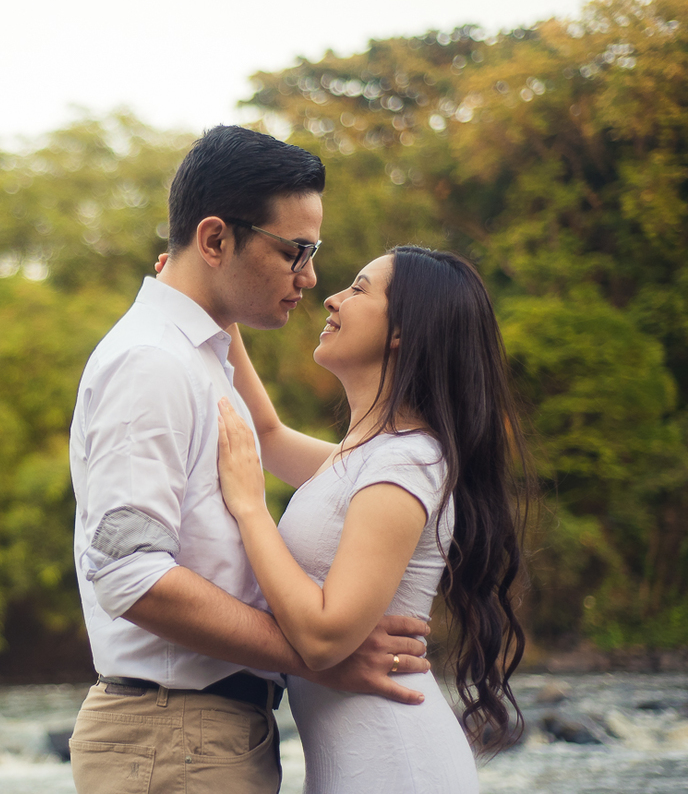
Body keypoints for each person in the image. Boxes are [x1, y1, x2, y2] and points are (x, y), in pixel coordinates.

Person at [69, 126, 432, 793]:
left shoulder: (199, 355)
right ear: (215, 240)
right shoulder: (152, 362)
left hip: (198, 733)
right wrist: (319, 658)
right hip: (174, 733)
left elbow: (271, 436)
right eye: (296, 251)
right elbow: (128, 572)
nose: (312, 277)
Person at [215, 246, 529, 792]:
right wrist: (215, 305)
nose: (333, 298)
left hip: (396, 767)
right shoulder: (371, 457)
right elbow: (265, 434)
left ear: (403, 330)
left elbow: (321, 638)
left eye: (359, 289)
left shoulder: (405, 462)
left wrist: (250, 508)